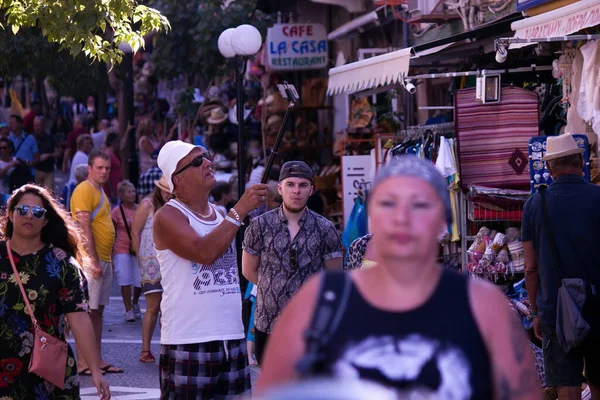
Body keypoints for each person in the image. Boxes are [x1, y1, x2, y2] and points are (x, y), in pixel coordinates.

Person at [256, 156, 539, 399]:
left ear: (443, 221)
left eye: (419, 204)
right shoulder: (319, 303)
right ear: (372, 217)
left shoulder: (484, 307)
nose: (402, 217)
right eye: (389, 203)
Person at [153, 140, 268, 398]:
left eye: (206, 156)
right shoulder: (168, 216)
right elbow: (204, 253)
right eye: (196, 161)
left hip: (231, 335)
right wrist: (239, 211)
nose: (207, 162)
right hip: (189, 340)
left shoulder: (220, 213)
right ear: (178, 180)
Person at [0, 183, 110, 399]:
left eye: (37, 212)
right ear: (11, 215)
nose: (29, 216)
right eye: (22, 210)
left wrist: (95, 370)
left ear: (46, 220)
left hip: (48, 374)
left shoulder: (62, 264)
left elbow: (79, 320)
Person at [522, 133, 600, 400]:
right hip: (598, 304)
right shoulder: (597, 197)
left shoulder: (535, 205)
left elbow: (530, 269)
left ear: (548, 167)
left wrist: (534, 312)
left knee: (566, 384)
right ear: (580, 161)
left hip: (556, 308)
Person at [242, 161, 343, 365]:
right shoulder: (259, 226)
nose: (296, 191)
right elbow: (247, 270)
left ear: (311, 190)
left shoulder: (325, 229)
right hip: (268, 322)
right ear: (280, 188)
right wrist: (274, 286)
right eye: (290, 184)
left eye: (302, 185)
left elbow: (334, 277)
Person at [70, 150, 123, 375]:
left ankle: (96, 359)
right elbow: (83, 227)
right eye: (100, 167)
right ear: (89, 168)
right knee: (87, 313)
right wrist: (91, 260)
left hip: (104, 258)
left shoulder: (100, 191)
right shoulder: (84, 189)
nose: (104, 171)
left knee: (97, 312)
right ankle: (84, 362)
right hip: (91, 260)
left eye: (107, 168)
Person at [131, 175, 173, 363]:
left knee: (170, 307)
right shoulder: (147, 204)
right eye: (165, 190)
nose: (168, 194)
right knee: (153, 307)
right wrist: (140, 257)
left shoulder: (174, 205)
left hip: (170, 261)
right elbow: (135, 231)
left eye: (170, 190)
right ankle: (145, 349)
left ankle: (168, 347)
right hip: (151, 261)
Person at [111, 180, 142, 322]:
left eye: (134, 191)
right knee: (124, 279)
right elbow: (112, 232)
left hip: (138, 248)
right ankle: (128, 309)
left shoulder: (141, 209)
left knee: (139, 281)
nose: (133, 194)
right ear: (121, 195)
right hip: (121, 248)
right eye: (129, 192)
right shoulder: (116, 212)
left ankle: (135, 302)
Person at [32, 116, 59, 189]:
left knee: (48, 194)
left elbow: (58, 153)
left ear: (43, 126)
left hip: (49, 171)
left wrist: (49, 155)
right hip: (36, 170)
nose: (37, 128)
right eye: (35, 125)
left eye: (39, 125)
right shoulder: (31, 138)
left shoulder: (50, 138)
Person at [103, 131, 123, 204]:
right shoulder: (108, 155)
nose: (119, 144)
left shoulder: (112, 154)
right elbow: (105, 174)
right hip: (110, 193)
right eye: (118, 142)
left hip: (115, 191)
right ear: (114, 142)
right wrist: (112, 191)